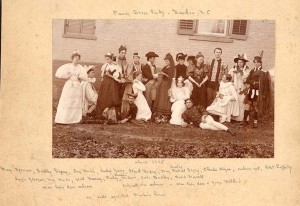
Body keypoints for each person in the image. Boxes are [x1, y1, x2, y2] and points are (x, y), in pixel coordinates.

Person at [55, 51, 88, 124]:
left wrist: (80, 76)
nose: (77, 59)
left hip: (76, 85)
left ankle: (74, 119)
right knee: (67, 100)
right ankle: (64, 119)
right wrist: (67, 75)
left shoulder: (80, 67)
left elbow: (85, 77)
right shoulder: (67, 66)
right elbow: (58, 74)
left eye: (78, 58)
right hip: (69, 85)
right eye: (75, 58)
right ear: (72, 58)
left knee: (75, 101)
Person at [245, 51, 271, 128]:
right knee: (247, 105)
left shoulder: (263, 73)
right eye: (255, 62)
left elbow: (266, 85)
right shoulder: (252, 71)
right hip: (251, 92)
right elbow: (247, 80)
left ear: (260, 63)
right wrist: (252, 82)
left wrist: (264, 95)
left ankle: (255, 122)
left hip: (258, 92)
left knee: (256, 107)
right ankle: (245, 121)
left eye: (257, 62)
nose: (256, 64)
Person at [95, 52, 122, 119]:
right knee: (103, 96)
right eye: (106, 59)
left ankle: (110, 114)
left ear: (112, 59)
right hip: (105, 83)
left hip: (112, 83)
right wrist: (104, 75)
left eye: (108, 59)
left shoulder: (116, 66)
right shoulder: (105, 65)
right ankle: (100, 113)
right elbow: (102, 75)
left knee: (111, 97)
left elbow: (117, 78)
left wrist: (109, 75)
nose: (107, 61)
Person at [228, 54, 252, 122]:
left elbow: (247, 79)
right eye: (238, 62)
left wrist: (243, 74)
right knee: (235, 100)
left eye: (241, 62)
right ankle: (234, 117)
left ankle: (242, 118)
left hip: (242, 87)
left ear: (244, 63)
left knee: (242, 101)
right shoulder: (234, 69)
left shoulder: (247, 70)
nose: (239, 64)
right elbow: (230, 78)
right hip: (235, 86)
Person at [153, 53, 175, 123]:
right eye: (165, 61)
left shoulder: (172, 68)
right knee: (160, 97)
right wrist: (161, 73)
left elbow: (171, 77)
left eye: (167, 61)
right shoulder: (165, 67)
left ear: (170, 61)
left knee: (165, 98)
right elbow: (161, 73)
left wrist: (164, 74)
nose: (166, 62)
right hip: (163, 83)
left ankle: (165, 114)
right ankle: (159, 114)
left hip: (167, 84)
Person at [121, 52, 143, 119]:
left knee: (137, 98)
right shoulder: (130, 65)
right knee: (128, 97)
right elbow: (128, 74)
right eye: (134, 58)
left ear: (139, 59)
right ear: (133, 58)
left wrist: (138, 80)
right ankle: (125, 113)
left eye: (137, 58)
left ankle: (135, 114)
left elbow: (141, 74)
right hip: (130, 83)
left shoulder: (141, 65)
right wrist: (132, 80)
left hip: (137, 83)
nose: (136, 59)